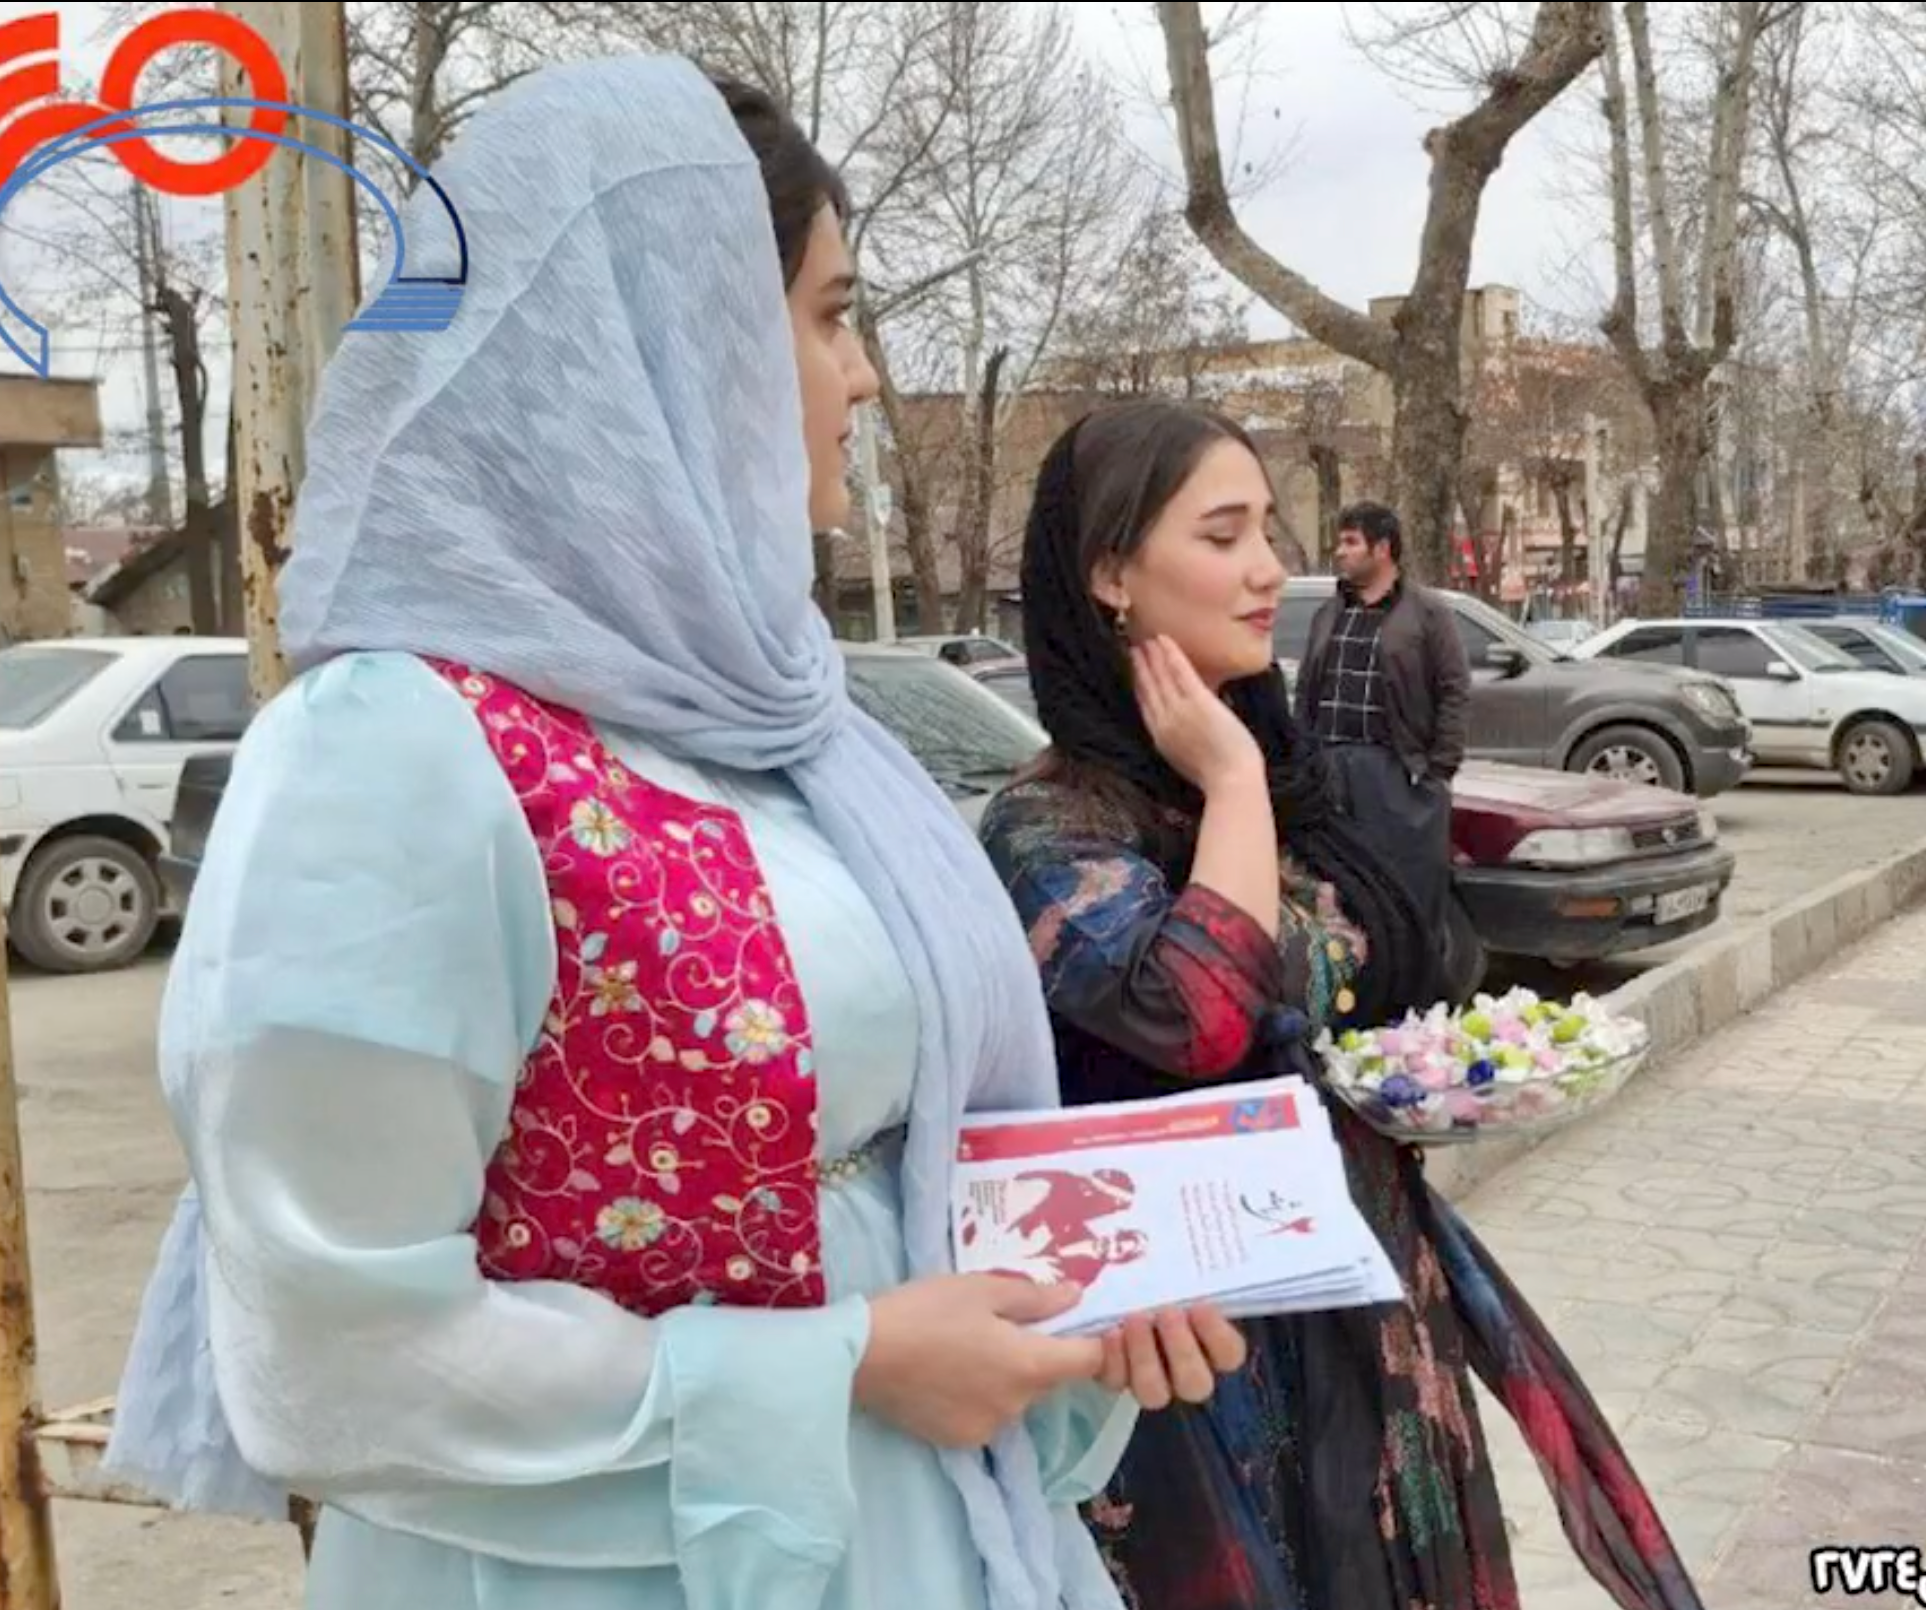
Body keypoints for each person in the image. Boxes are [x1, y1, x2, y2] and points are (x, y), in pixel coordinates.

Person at [97, 59, 1242, 1610]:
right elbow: (328, 1356)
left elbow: (886, 1169)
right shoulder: (399, 750)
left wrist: (1078, 1321)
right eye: (832, 316)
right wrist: (838, 1365)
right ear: (667, 343)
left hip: (918, 1537)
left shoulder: (805, 737)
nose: (866, 380)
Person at [978, 397, 1703, 1610]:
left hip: (1364, 1291)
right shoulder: (1054, 824)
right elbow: (1197, 1013)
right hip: (1199, 1367)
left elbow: (1370, 979)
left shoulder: (1284, 766)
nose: (1271, 569)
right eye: (1223, 535)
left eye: (1270, 527)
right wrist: (1229, 784)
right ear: (1110, 572)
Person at [1296, 501, 1470, 943]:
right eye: (1341, 541)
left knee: (1401, 891)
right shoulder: (1329, 613)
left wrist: (1437, 772)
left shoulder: (1427, 614)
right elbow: (1308, 692)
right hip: (1329, 770)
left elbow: (1454, 689)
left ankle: (1410, 995)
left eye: (1351, 542)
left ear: (1383, 548)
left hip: (1392, 772)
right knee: (1335, 894)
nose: (1340, 551)